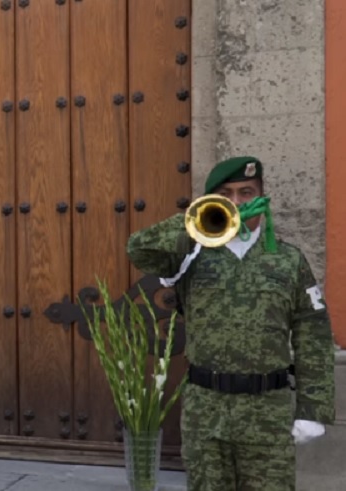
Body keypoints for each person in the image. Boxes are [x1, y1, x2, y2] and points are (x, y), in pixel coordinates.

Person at [127, 156, 335, 491]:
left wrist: (314, 408)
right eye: (226, 194)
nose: (237, 202)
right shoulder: (190, 255)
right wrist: (194, 222)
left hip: (267, 411)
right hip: (205, 410)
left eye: (246, 193)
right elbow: (139, 249)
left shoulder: (287, 259)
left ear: (262, 197)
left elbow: (313, 331)